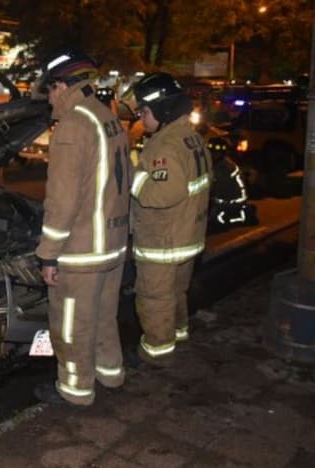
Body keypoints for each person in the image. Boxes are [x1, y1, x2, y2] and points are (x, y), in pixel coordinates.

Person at [33, 51, 131, 406]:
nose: (49, 99)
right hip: (113, 243)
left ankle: (75, 392)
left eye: (50, 91)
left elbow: (62, 201)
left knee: (72, 324)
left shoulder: (73, 127)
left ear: (62, 86)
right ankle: (111, 374)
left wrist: (48, 254)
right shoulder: (107, 117)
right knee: (104, 316)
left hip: (82, 251)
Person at [130, 73, 212, 365]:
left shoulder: (165, 146)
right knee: (176, 292)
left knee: (154, 298)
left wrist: (135, 176)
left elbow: (162, 194)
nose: (141, 117)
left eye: (145, 112)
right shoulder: (190, 138)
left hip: (162, 241)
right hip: (187, 235)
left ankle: (157, 352)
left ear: (163, 110)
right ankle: (178, 333)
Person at [207, 136, 256, 230]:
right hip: (228, 197)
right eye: (211, 151)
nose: (212, 154)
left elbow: (213, 186)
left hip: (231, 200)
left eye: (215, 152)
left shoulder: (224, 167)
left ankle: (239, 214)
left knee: (217, 221)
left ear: (221, 153)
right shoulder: (221, 163)